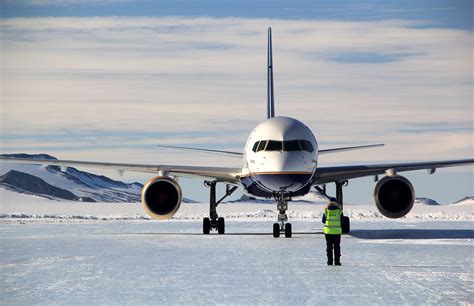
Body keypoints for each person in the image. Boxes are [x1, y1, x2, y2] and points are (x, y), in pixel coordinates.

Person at [322, 197, 343, 266]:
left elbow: (323, 220)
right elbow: (342, 221)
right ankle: (337, 262)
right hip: (337, 232)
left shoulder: (326, 211)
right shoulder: (339, 211)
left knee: (329, 247)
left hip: (328, 232)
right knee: (337, 247)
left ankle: (329, 262)